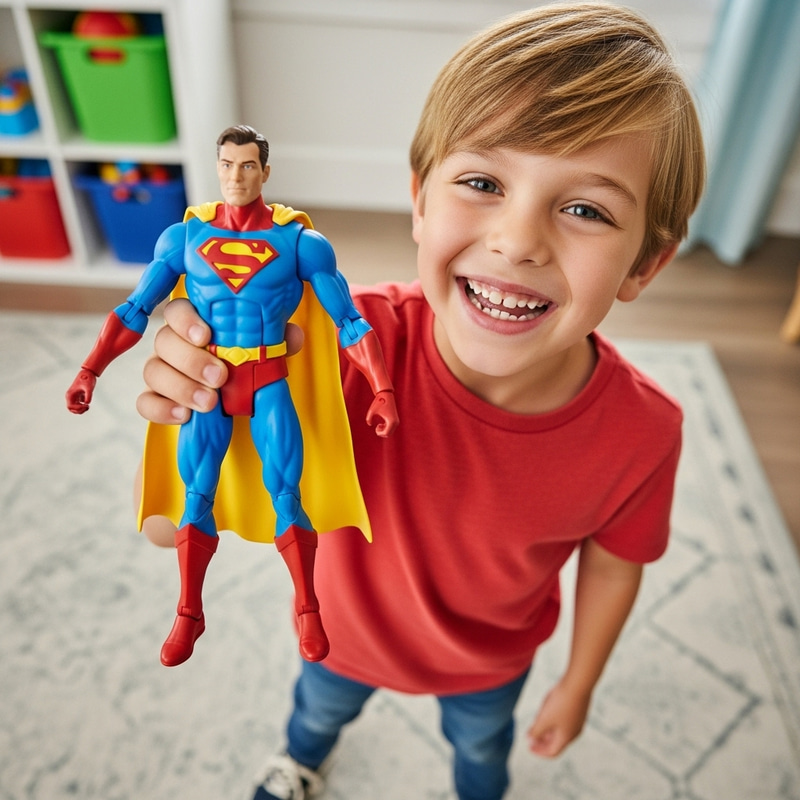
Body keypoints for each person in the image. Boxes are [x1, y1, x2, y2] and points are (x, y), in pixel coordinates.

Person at [135, 4, 705, 799]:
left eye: (585, 209)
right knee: (313, 720)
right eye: (481, 182)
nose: (517, 240)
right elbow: (171, 528)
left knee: (481, 759)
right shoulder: (319, 349)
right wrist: (190, 399)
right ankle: (301, 763)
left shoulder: (644, 434)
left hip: (489, 668)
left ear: (645, 264)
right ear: (420, 201)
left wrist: (577, 684)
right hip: (339, 642)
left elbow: (614, 569)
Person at [66, 124, 398, 668]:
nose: (236, 176)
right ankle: (188, 612)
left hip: (268, 377)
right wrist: (90, 369)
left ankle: (308, 607)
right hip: (211, 384)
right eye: (226, 165)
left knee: (286, 493)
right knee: (196, 495)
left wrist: (381, 387)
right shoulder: (185, 239)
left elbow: (349, 319)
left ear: (265, 172)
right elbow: (134, 310)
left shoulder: (299, 243)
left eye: (247, 166)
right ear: (216, 167)